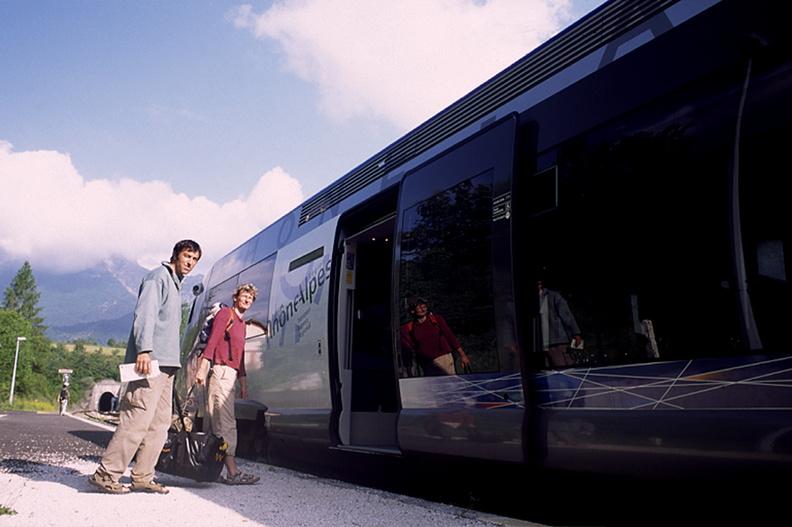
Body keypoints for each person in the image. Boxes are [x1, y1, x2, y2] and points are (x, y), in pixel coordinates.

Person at [88, 239, 201, 495]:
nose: (190, 263)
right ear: (176, 255)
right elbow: (145, 315)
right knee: (136, 418)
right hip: (150, 361)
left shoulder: (176, 285)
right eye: (187, 256)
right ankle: (106, 474)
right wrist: (144, 350)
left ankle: (142, 476)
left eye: (195, 260)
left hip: (168, 365)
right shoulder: (157, 278)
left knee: (159, 425)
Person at [195, 283, 260, 485]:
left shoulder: (242, 324)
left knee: (220, 423)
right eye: (244, 295)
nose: (247, 299)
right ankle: (232, 472)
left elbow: (239, 357)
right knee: (225, 424)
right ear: (236, 297)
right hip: (221, 371)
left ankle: (211, 468)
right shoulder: (225, 314)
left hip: (231, 375)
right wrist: (203, 368)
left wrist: (243, 382)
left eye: (251, 297)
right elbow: (213, 341)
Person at [400, 298, 471, 376]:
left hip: (444, 359)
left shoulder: (436, 319)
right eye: (420, 308)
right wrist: (408, 368)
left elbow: (450, 337)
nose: (423, 309)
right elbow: (407, 349)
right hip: (427, 363)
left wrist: (463, 355)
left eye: (424, 307)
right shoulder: (409, 328)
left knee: (449, 384)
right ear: (412, 311)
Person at [538, 280, 583, 368]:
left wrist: (576, 333)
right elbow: (567, 316)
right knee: (565, 372)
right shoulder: (553, 296)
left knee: (564, 371)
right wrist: (576, 333)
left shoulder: (553, 296)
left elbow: (566, 317)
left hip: (555, 342)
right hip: (554, 342)